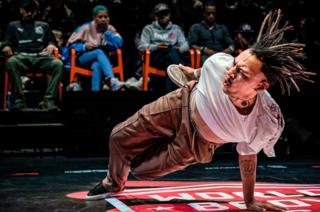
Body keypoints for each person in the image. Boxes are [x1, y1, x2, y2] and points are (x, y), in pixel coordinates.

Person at [86, 9, 315, 211]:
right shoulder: (221, 63)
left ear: (261, 85)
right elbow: (205, 70)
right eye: (235, 64)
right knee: (119, 136)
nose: (230, 73)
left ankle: (128, 170)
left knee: (140, 170)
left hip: (197, 143)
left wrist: (249, 201)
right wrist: (191, 73)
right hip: (181, 102)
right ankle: (113, 181)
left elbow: (247, 156)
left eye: (242, 74)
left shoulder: (266, 121)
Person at [1, 0, 64, 111]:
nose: (29, 14)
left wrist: (51, 45)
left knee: (58, 64)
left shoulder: (44, 26)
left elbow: (53, 42)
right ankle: (19, 102)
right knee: (11, 62)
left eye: (32, 11)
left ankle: (48, 101)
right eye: (27, 11)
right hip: (21, 57)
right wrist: (6, 47)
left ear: (36, 12)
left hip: (41, 57)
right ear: (21, 10)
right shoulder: (13, 25)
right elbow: (6, 42)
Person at [66, 5, 124, 91]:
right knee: (98, 52)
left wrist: (108, 34)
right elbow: (70, 45)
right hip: (83, 59)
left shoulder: (110, 29)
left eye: (105, 17)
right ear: (94, 17)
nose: (103, 19)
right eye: (100, 17)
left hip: (101, 61)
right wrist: (84, 46)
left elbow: (119, 43)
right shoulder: (85, 28)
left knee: (97, 65)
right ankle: (112, 80)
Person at [137, 3, 189, 92]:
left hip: (172, 55)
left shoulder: (175, 28)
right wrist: (156, 47)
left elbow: (185, 45)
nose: (163, 16)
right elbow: (141, 46)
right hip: (156, 57)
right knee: (173, 57)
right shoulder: (149, 29)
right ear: (156, 16)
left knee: (171, 56)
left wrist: (178, 49)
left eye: (166, 13)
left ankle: (169, 93)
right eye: (160, 14)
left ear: (169, 14)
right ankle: (179, 91)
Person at [188, 0, 234, 65]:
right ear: (203, 13)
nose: (211, 16)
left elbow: (232, 45)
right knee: (209, 64)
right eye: (208, 13)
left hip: (221, 55)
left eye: (213, 13)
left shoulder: (222, 28)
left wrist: (226, 51)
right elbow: (192, 44)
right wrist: (204, 49)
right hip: (205, 55)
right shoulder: (196, 27)